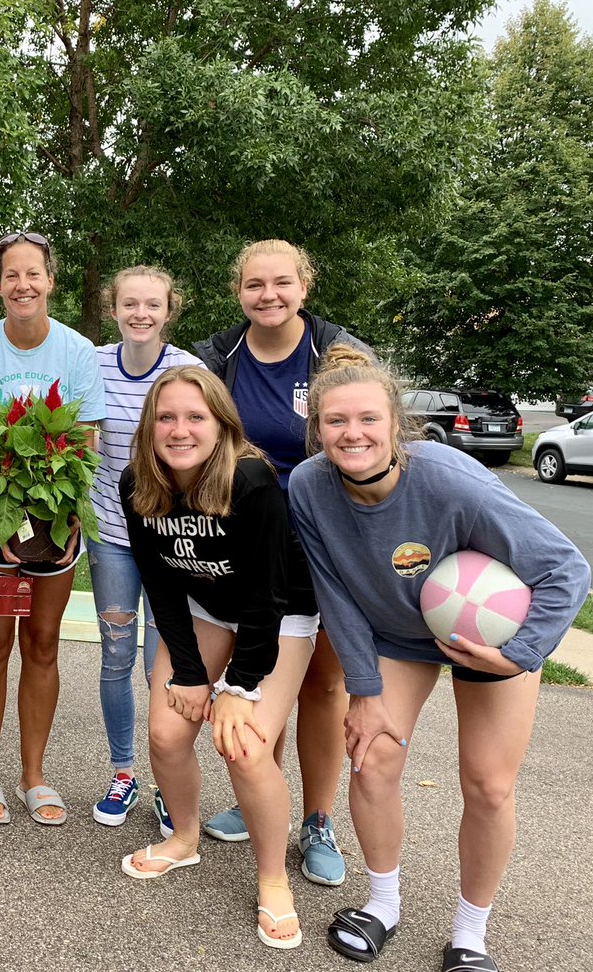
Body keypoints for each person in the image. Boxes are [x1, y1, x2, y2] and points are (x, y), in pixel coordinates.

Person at [290, 346, 590, 972]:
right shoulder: (309, 485)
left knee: (486, 784)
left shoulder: (451, 480)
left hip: (489, 634)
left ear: (395, 423)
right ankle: (383, 904)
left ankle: (470, 934)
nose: (353, 433)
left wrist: (519, 655)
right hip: (399, 635)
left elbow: (566, 569)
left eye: (368, 419)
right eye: (336, 421)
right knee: (370, 761)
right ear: (316, 428)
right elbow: (335, 593)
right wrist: (364, 689)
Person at [193, 239, 372, 886]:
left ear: (304, 285)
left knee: (324, 685)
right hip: (247, 547)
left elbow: (370, 437)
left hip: (331, 544)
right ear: (238, 291)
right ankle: (257, 792)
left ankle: (318, 820)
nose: (268, 295)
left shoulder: (338, 352)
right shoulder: (218, 358)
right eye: (254, 284)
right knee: (258, 677)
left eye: (281, 282)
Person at [119, 365, 306, 951]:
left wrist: (238, 687)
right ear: (150, 426)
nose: (180, 430)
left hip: (280, 615)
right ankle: (185, 839)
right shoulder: (138, 484)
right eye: (167, 417)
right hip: (203, 608)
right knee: (167, 732)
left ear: (221, 424)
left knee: (244, 746)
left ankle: (273, 879)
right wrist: (193, 676)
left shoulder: (250, 480)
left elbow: (268, 595)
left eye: (195, 417)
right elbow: (161, 583)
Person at [0, 231, 105, 826]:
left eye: (33, 275)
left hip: (56, 517)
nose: (23, 286)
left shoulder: (76, 352)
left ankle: (33, 776)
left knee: (42, 644)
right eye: (11, 276)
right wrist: (3, 515)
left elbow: (87, 442)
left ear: (50, 281)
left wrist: (66, 516)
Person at [88, 266, 203, 828]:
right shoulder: (93, 365)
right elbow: (76, 442)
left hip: (172, 540)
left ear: (168, 311)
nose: (140, 314)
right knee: (115, 656)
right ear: (114, 311)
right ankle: (123, 772)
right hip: (111, 536)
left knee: (168, 661)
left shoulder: (191, 370)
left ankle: (167, 776)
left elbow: (209, 449)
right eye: (129, 304)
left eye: (152, 305)